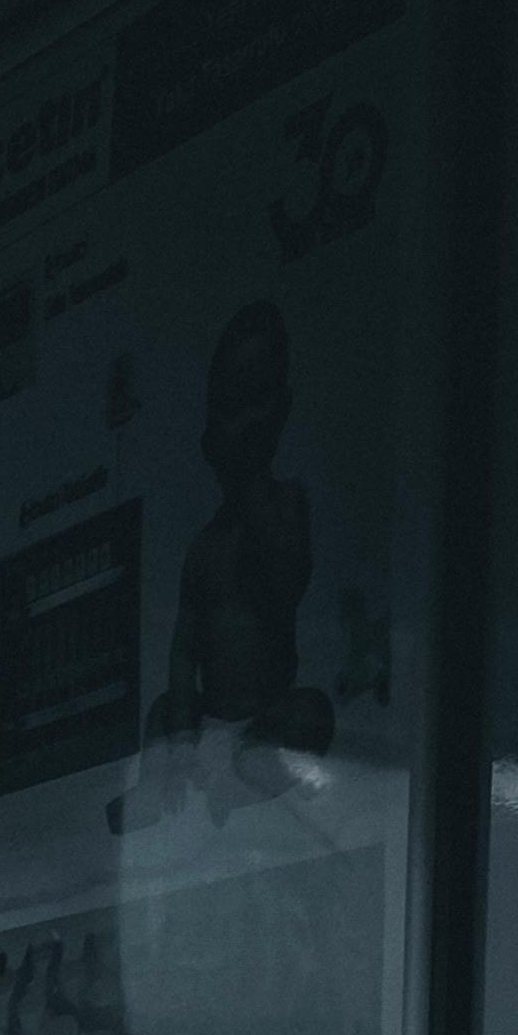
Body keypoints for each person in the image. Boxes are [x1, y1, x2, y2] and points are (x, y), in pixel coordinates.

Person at [149, 297, 337, 755]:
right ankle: (164, 783)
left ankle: (252, 756)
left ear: (282, 407)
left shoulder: (287, 504)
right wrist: (179, 728)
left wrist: (250, 481)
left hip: (268, 711)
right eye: (231, 407)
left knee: (313, 712)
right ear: (210, 429)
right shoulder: (202, 549)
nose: (246, 423)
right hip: (209, 715)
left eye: (258, 401)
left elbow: (286, 576)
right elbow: (182, 648)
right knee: (159, 711)